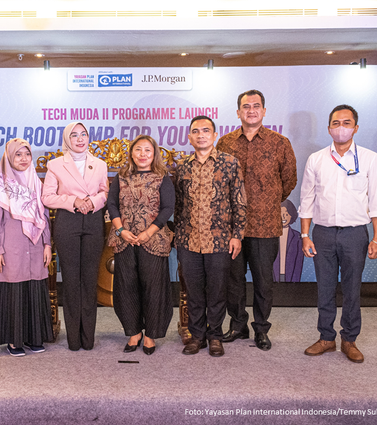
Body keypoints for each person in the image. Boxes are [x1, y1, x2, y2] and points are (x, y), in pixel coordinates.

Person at [299, 105, 377, 363]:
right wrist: (305, 235)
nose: (341, 128)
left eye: (346, 123)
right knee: (324, 289)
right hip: (323, 234)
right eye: (336, 123)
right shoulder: (316, 159)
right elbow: (307, 199)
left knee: (352, 289)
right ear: (329, 128)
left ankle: (349, 340)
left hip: (355, 234)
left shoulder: (369, 158)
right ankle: (326, 337)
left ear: (356, 128)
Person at [217, 89, 297, 351]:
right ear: (238, 112)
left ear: (264, 111)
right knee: (233, 280)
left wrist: (267, 200)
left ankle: (261, 329)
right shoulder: (225, 143)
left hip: (265, 225)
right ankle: (238, 324)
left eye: (256, 106)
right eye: (246, 106)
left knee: (263, 280)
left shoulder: (280, 143)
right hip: (231, 228)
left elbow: (289, 182)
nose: (251, 110)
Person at [175, 116, 247, 357]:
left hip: (220, 241)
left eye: (206, 131)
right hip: (189, 241)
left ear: (215, 135)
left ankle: (215, 335)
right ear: (189, 137)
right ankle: (197, 336)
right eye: (196, 131)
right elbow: (178, 205)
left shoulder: (229, 163)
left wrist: (237, 235)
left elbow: (239, 202)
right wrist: (178, 236)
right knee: (194, 292)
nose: (201, 135)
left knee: (217, 291)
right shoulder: (183, 166)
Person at [0, 138, 54, 357]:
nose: (23, 159)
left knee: (33, 290)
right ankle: (14, 341)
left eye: (27, 154)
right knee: (12, 293)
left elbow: (43, 217)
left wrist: (47, 244)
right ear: (8, 157)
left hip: (34, 248)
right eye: (18, 155)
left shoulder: (35, 182)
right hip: (10, 249)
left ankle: (34, 337)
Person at [41, 122, 109, 351]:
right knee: (71, 280)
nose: (80, 139)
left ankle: (87, 337)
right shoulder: (56, 165)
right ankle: (73, 338)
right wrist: (73, 201)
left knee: (90, 280)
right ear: (67, 139)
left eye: (84, 134)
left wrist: (93, 201)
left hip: (93, 221)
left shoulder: (99, 164)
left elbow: (105, 192)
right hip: (68, 221)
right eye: (74, 135)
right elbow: (47, 197)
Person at [107, 135, 175, 355]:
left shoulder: (162, 177)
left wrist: (148, 232)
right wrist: (121, 230)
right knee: (126, 287)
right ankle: (134, 332)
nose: (143, 154)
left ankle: (151, 335)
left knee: (154, 288)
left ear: (154, 154)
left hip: (153, 239)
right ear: (131, 153)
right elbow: (112, 204)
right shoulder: (121, 177)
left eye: (147, 150)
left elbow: (167, 208)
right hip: (124, 239)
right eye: (138, 150)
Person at [273, 200, 304, 283]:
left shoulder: (297, 236)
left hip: (291, 279)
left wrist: (295, 282)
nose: (283, 217)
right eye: (280, 213)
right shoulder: (271, 235)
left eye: (286, 214)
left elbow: (299, 263)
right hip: (272, 279)